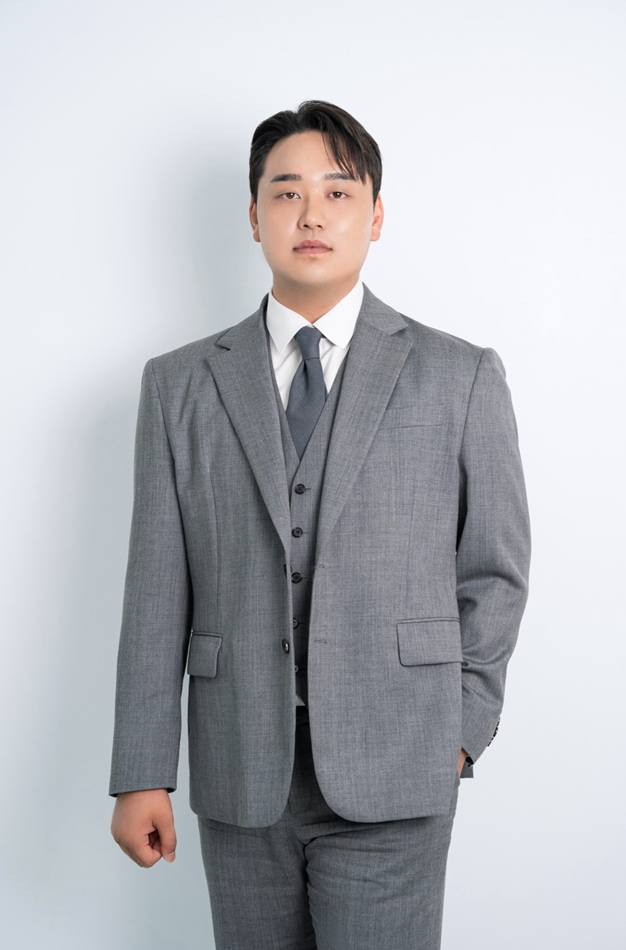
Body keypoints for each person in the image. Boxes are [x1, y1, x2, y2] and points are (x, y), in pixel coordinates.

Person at [109, 99, 531, 950]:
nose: (311, 214)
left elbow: (494, 571)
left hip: (400, 763)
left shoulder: (459, 375)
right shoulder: (179, 385)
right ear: (253, 215)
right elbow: (157, 588)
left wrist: (459, 730)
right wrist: (141, 772)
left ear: (375, 216)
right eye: (287, 192)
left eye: (338, 193)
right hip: (240, 767)